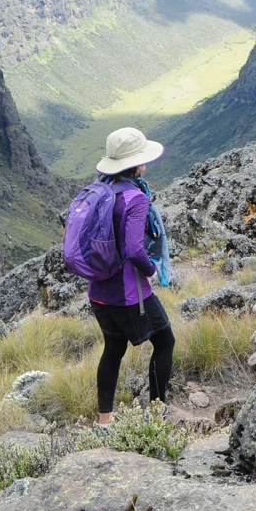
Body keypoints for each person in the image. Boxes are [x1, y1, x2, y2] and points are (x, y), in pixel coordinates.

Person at [87, 127, 176, 426]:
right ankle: (156, 414)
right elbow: (136, 249)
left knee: (113, 348)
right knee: (165, 341)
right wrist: (152, 271)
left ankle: (104, 422)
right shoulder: (135, 198)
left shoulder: (99, 191)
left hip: (98, 290)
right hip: (128, 293)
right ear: (135, 164)